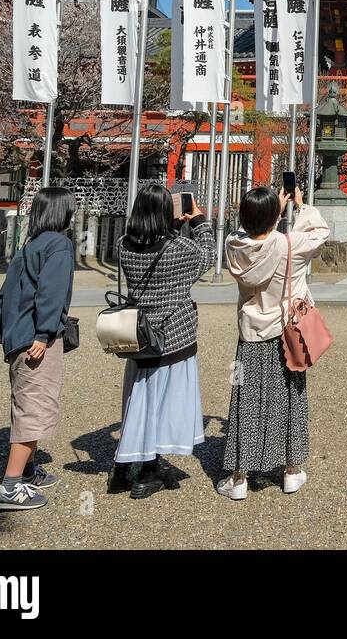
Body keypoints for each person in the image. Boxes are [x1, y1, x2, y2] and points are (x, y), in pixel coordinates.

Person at [218, 185, 330, 500]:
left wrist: (270, 214)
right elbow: (321, 231)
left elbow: (250, 234)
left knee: (246, 401)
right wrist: (299, 205)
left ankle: (239, 477)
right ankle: (291, 470)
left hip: (252, 334)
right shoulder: (291, 245)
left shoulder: (234, 245)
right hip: (286, 333)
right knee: (292, 398)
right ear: (275, 216)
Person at [110, 183, 214, 499]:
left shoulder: (122, 246)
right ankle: (148, 470)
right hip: (173, 336)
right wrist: (198, 221)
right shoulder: (179, 250)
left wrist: (172, 226)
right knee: (165, 404)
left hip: (138, 335)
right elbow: (207, 256)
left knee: (139, 399)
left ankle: (126, 463)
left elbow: (153, 244)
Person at [0, 186, 76, 510]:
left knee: (25, 403)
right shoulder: (60, 245)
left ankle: (26, 471)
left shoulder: (30, 246)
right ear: (62, 213)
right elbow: (51, 295)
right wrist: (43, 334)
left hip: (18, 338)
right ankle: (10, 486)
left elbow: (2, 299)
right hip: (37, 341)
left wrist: (10, 336)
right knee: (34, 407)